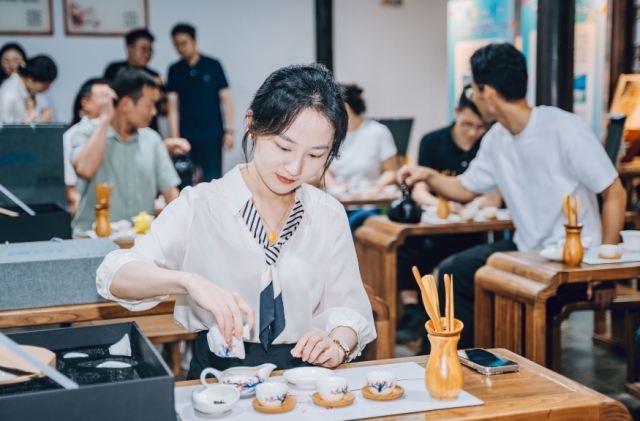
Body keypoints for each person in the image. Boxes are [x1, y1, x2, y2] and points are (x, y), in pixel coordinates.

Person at [95, 63, 376, 378]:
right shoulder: (201, 205)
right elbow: (115, 274)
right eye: (283, 147)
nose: (295, 168)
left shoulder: (328, 214)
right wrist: (189, 282)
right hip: (219, 377)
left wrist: (337, 345)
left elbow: (350, 309)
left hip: (304, 377)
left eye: (315, 156)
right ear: (252, 124)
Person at [398, 43, 627, 349]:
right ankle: (447, 359)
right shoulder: (496, 138)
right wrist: (427, 174)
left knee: (516, 298)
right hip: (527, 251)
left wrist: (605, 271)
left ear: (488, 92)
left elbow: (615, 193)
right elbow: (465, 189)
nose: (473, 97)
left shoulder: (564, 128)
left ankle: (494, 363)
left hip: (576, 260)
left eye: (474, 90)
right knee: (456, 271)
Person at [395, 88, 501, 347]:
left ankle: (450, 334)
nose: (473, 132)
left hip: (474, 231)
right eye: (467, 125)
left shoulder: (490, 144)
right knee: (405, 248)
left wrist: (469, 205)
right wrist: (444, 204)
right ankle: (413, 312)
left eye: (481, 127)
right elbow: (420, 188)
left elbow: (494, 196)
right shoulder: (433, 141)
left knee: (456, 265)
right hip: (436, 227)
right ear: (456, 113)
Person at [71, 68, 180, 234]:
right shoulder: (86, 132)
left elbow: (171, 194)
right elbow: (85, 170)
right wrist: (105, 119)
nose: (154, 112)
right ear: (126, 104)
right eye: (149, 104)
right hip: (91, 238)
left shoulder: (152, 139)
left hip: (139, 241)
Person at [166, 23, 235, 183]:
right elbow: (172, 108)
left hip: (212, 134)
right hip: (186, 136)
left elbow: (226, 100)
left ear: (194, 41)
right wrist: (175, 138)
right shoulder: (174, 70)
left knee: (213, 181)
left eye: (184, 43)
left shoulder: (213, 65)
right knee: (183, 182)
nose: (180, 48)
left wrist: (229, 131)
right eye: (176, 44)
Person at [325, 84, 398, 232]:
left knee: (352, 224)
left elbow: (392, 171)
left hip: (367, 206)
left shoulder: (378, 132)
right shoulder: (330, 134)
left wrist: (376, 185)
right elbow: (323, 169)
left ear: (345, 107)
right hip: (337, 203)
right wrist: (333, 184)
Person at [64, 78, 111, 207]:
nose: (109, 103)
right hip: (91, 207)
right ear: (86, 103)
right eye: (104, 98)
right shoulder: (71, 136)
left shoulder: (119, 131)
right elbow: (70, 190)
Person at [0, 55, 56, 123]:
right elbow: (5, 127)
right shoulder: (9, 94)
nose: (48, 89)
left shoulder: (34, 90)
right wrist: (31, 117)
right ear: (30, 80)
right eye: (45, 86)